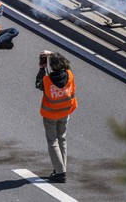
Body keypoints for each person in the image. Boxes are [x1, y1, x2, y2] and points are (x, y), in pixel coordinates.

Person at [36, 50, 77, 184]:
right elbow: (66, 64)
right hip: (65, 112)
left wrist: (42, 69)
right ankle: (60, 168)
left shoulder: (47, 80)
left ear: (51, 66)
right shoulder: (69, 75)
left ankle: (60, 173)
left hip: (51, 114)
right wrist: (53, 54)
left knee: (52, 142)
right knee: (62, 140)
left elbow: (38, 84)